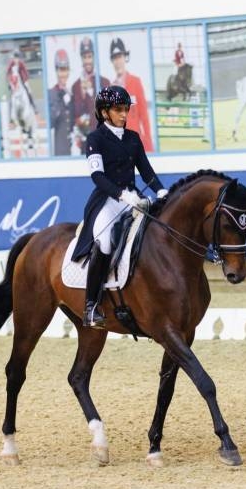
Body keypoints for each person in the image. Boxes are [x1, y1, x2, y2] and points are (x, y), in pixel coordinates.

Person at [70, 85, 168, 328]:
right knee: (104, 242)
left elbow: (146, 172)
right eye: (118, 110)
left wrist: (162, 191)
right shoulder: (95, 139)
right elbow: (98, 177)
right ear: (105, 113)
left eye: (126, 109)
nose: (124, 114)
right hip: (107, 201)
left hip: (134, 199)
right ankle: (91, 305)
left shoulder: (133, 138)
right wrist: (122, 194)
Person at [108, 37, 154, 152]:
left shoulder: (136, 82)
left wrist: (148, 143)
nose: (117, 62)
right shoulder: (110, 88)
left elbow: (144, 116)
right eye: (114, 58)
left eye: (119, 57)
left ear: (125, 58)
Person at [71, 37, 109, 141]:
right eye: (84, 57)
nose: (87, 60)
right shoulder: (75, 86)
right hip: (85, 142)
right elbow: (75, 114)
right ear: (81, 58)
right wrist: (82, 93)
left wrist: (91, 93)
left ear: (94, 57)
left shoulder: (105, 82)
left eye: (89, 56)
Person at [48, 49, 74, 156]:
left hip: (72, 147)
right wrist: (59, 104)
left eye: (65, 70)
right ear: (56, 71)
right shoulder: (52, 93)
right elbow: (51, 122)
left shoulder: (71, 93)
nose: (63, 74)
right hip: (59, 147)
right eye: (61, 70)